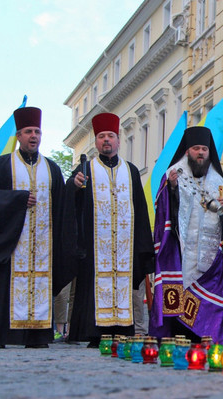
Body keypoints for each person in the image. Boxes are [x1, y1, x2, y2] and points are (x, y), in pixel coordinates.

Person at [63, 112, 154, 347]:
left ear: (118, 140)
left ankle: (121, 330)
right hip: (94, 249)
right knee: (94, 287)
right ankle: (94, 335)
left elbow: (141, 211)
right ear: (96, 142)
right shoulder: (85, 170)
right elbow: (68, 203)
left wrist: (143, 248)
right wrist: (73, 186)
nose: (106, 140)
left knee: (124, 288)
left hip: (125, 248)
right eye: (102, 136)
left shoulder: (131, 171)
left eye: (110, 136)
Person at [0, 107, 65, 348]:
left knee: (41, 284)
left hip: (43, 248)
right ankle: (5, 336)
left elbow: (62, 206)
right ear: (18, 136)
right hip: (11, 245)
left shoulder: (52, 169)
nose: (34, 136)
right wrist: (16, 199)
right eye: (28, 131)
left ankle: (37, 336)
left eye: (37, 132)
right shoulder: (1, 165)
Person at [149, 126, 223, 344]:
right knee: (179, 291)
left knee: (206, 292)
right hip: (181, 250)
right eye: (196, 148)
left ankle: (203, 335)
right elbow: (163, 211)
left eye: (204, 149)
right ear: (187, 151)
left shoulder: (218, 180)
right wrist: (172, 188)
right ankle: (177, 336)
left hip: (210, 255)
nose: (201, 153)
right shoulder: (174, 174)